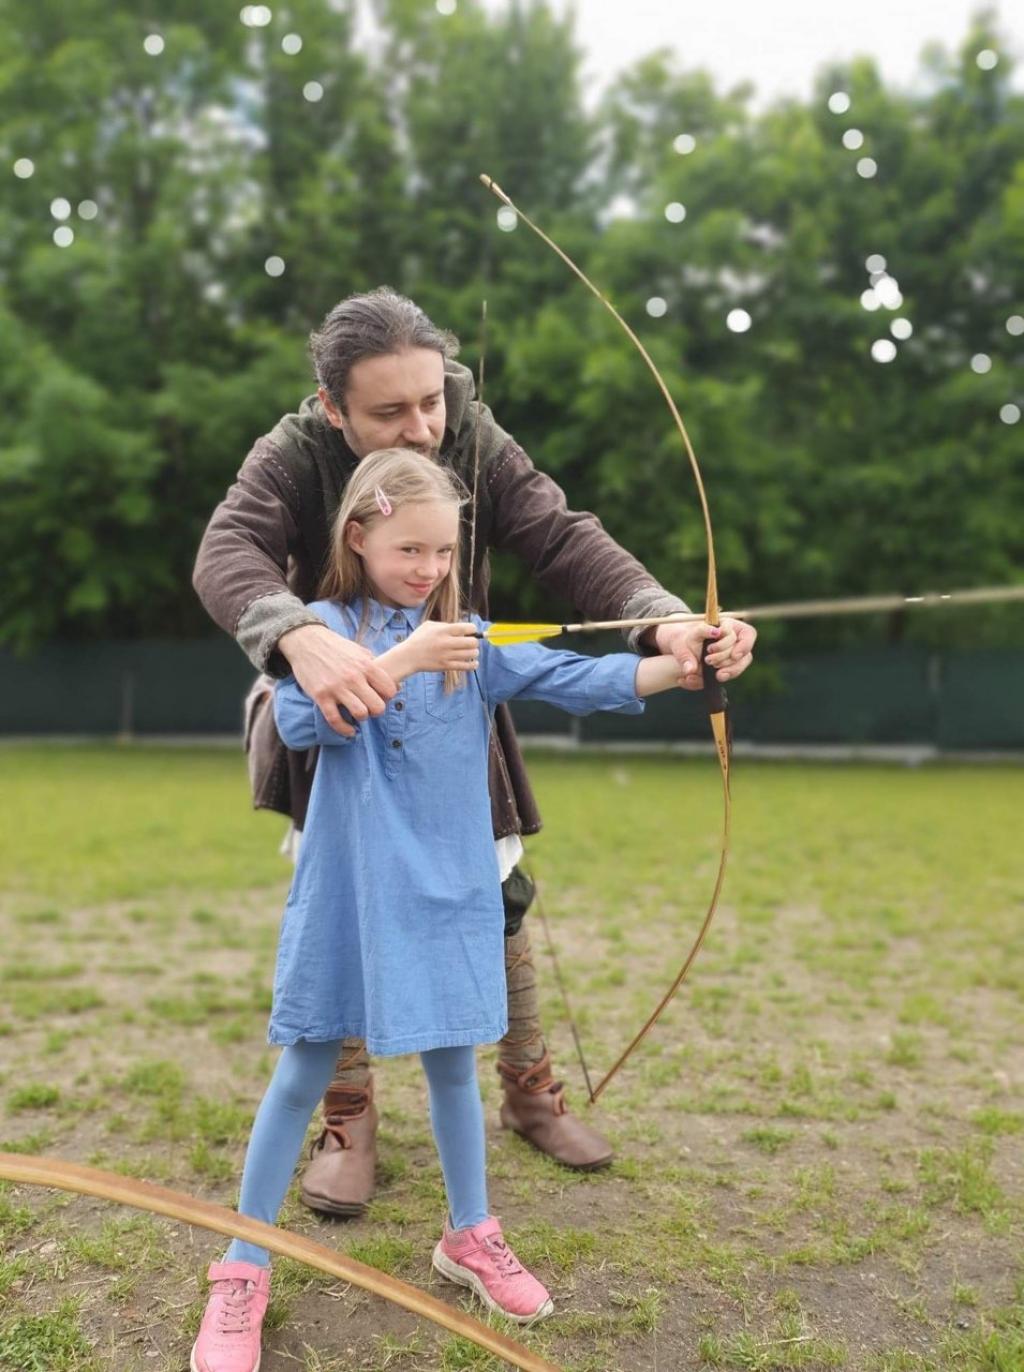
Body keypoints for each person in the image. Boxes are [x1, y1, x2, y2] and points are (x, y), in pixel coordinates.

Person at [193, 287, 756, 1211]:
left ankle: (527, 1089)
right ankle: (348, 1110)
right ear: (334, 410)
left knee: (496, 892)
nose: (421, 428)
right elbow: (226, 554)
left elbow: (563, 538)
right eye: (388, 412)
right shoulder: (292, 456)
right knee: (348, 905)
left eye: (431, 402)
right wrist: (301, 639)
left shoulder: (473, 435)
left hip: (459, 703)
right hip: (339, 714)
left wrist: (664, 627)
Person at [190, 448, 706, 1372]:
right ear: (359, 535)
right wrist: (407, 653)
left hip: (450, 890)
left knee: (452, 1068)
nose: (429, 568)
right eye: (409, 548)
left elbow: (578, 678)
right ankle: (242, 1266)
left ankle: (471, 1232)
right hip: (351, 894)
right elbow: (303, 722)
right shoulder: (323, 630)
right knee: (306, 1066)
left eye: (442, 552)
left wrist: (681, 662)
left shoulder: (470, 639)